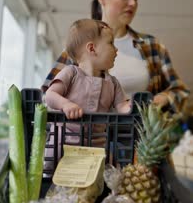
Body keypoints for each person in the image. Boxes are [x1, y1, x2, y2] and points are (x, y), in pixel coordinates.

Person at [42, 0, 189, 113]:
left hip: (138, 135)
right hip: (83, 135)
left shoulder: (153, 46)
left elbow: (180, 90)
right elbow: (46, 98)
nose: (133, 3)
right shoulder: (79, 45)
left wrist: (164, 98)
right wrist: (67, 106)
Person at [45, 19, 131, 148]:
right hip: (62, 145)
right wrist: (66, 104)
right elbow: (50, 95)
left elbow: (123, 107)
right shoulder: (71, 72)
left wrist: (133, 106)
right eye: (111, 43)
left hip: (96, 147)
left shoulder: (112, 83)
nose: (116, 49)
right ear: (92, 48)